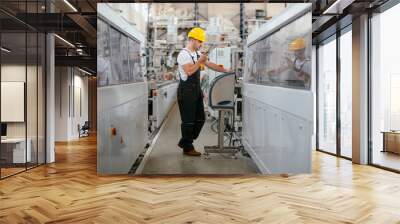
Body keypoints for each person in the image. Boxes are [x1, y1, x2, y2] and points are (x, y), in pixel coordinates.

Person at [177, 27, 231, 156]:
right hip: (186, 92)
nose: (201, 44)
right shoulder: (183, 54)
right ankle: (188, 147)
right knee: (188, 121)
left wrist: (227, 70)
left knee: (200, 119)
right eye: (200, 41)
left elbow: (210, 64)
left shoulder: (196, 54)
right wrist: (200, 62)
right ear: (193, 40)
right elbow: (189, 71)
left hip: (196, 91)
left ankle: (185, 141)